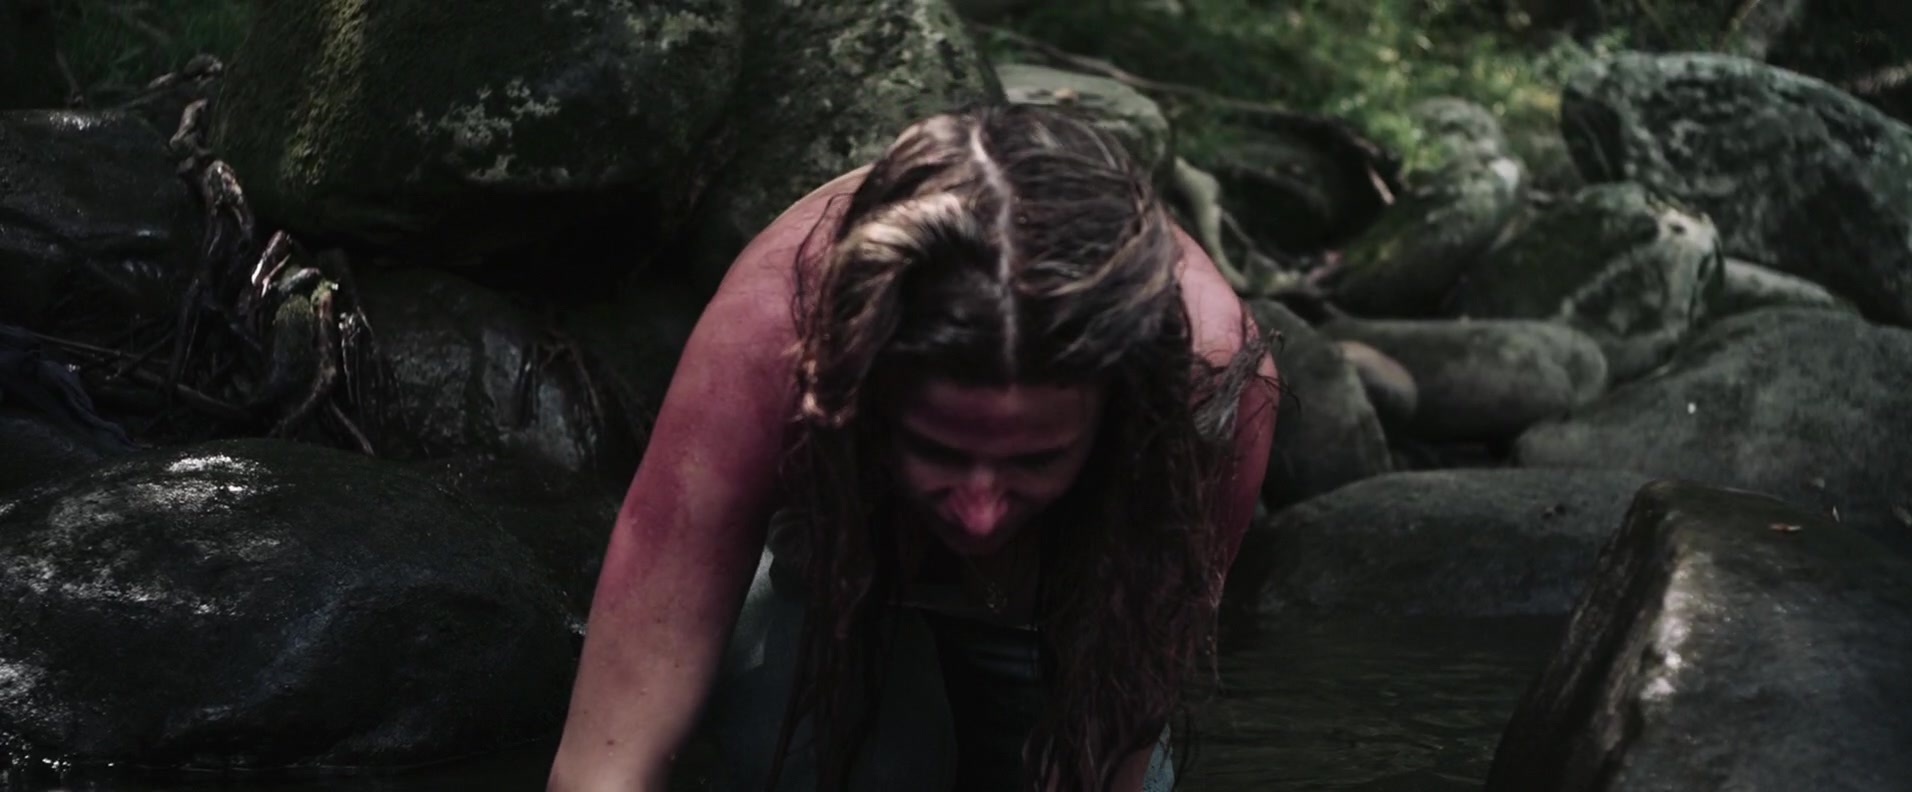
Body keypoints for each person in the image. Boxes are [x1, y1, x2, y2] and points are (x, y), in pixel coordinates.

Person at [546, 103, 1278, 792]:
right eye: (941, 449)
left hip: (1066, 589)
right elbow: (607, 757)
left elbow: (1123, 717)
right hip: (841, 557)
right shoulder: (773, 337)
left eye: (1035, 459)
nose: (980, 515)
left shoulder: (1205, 389)